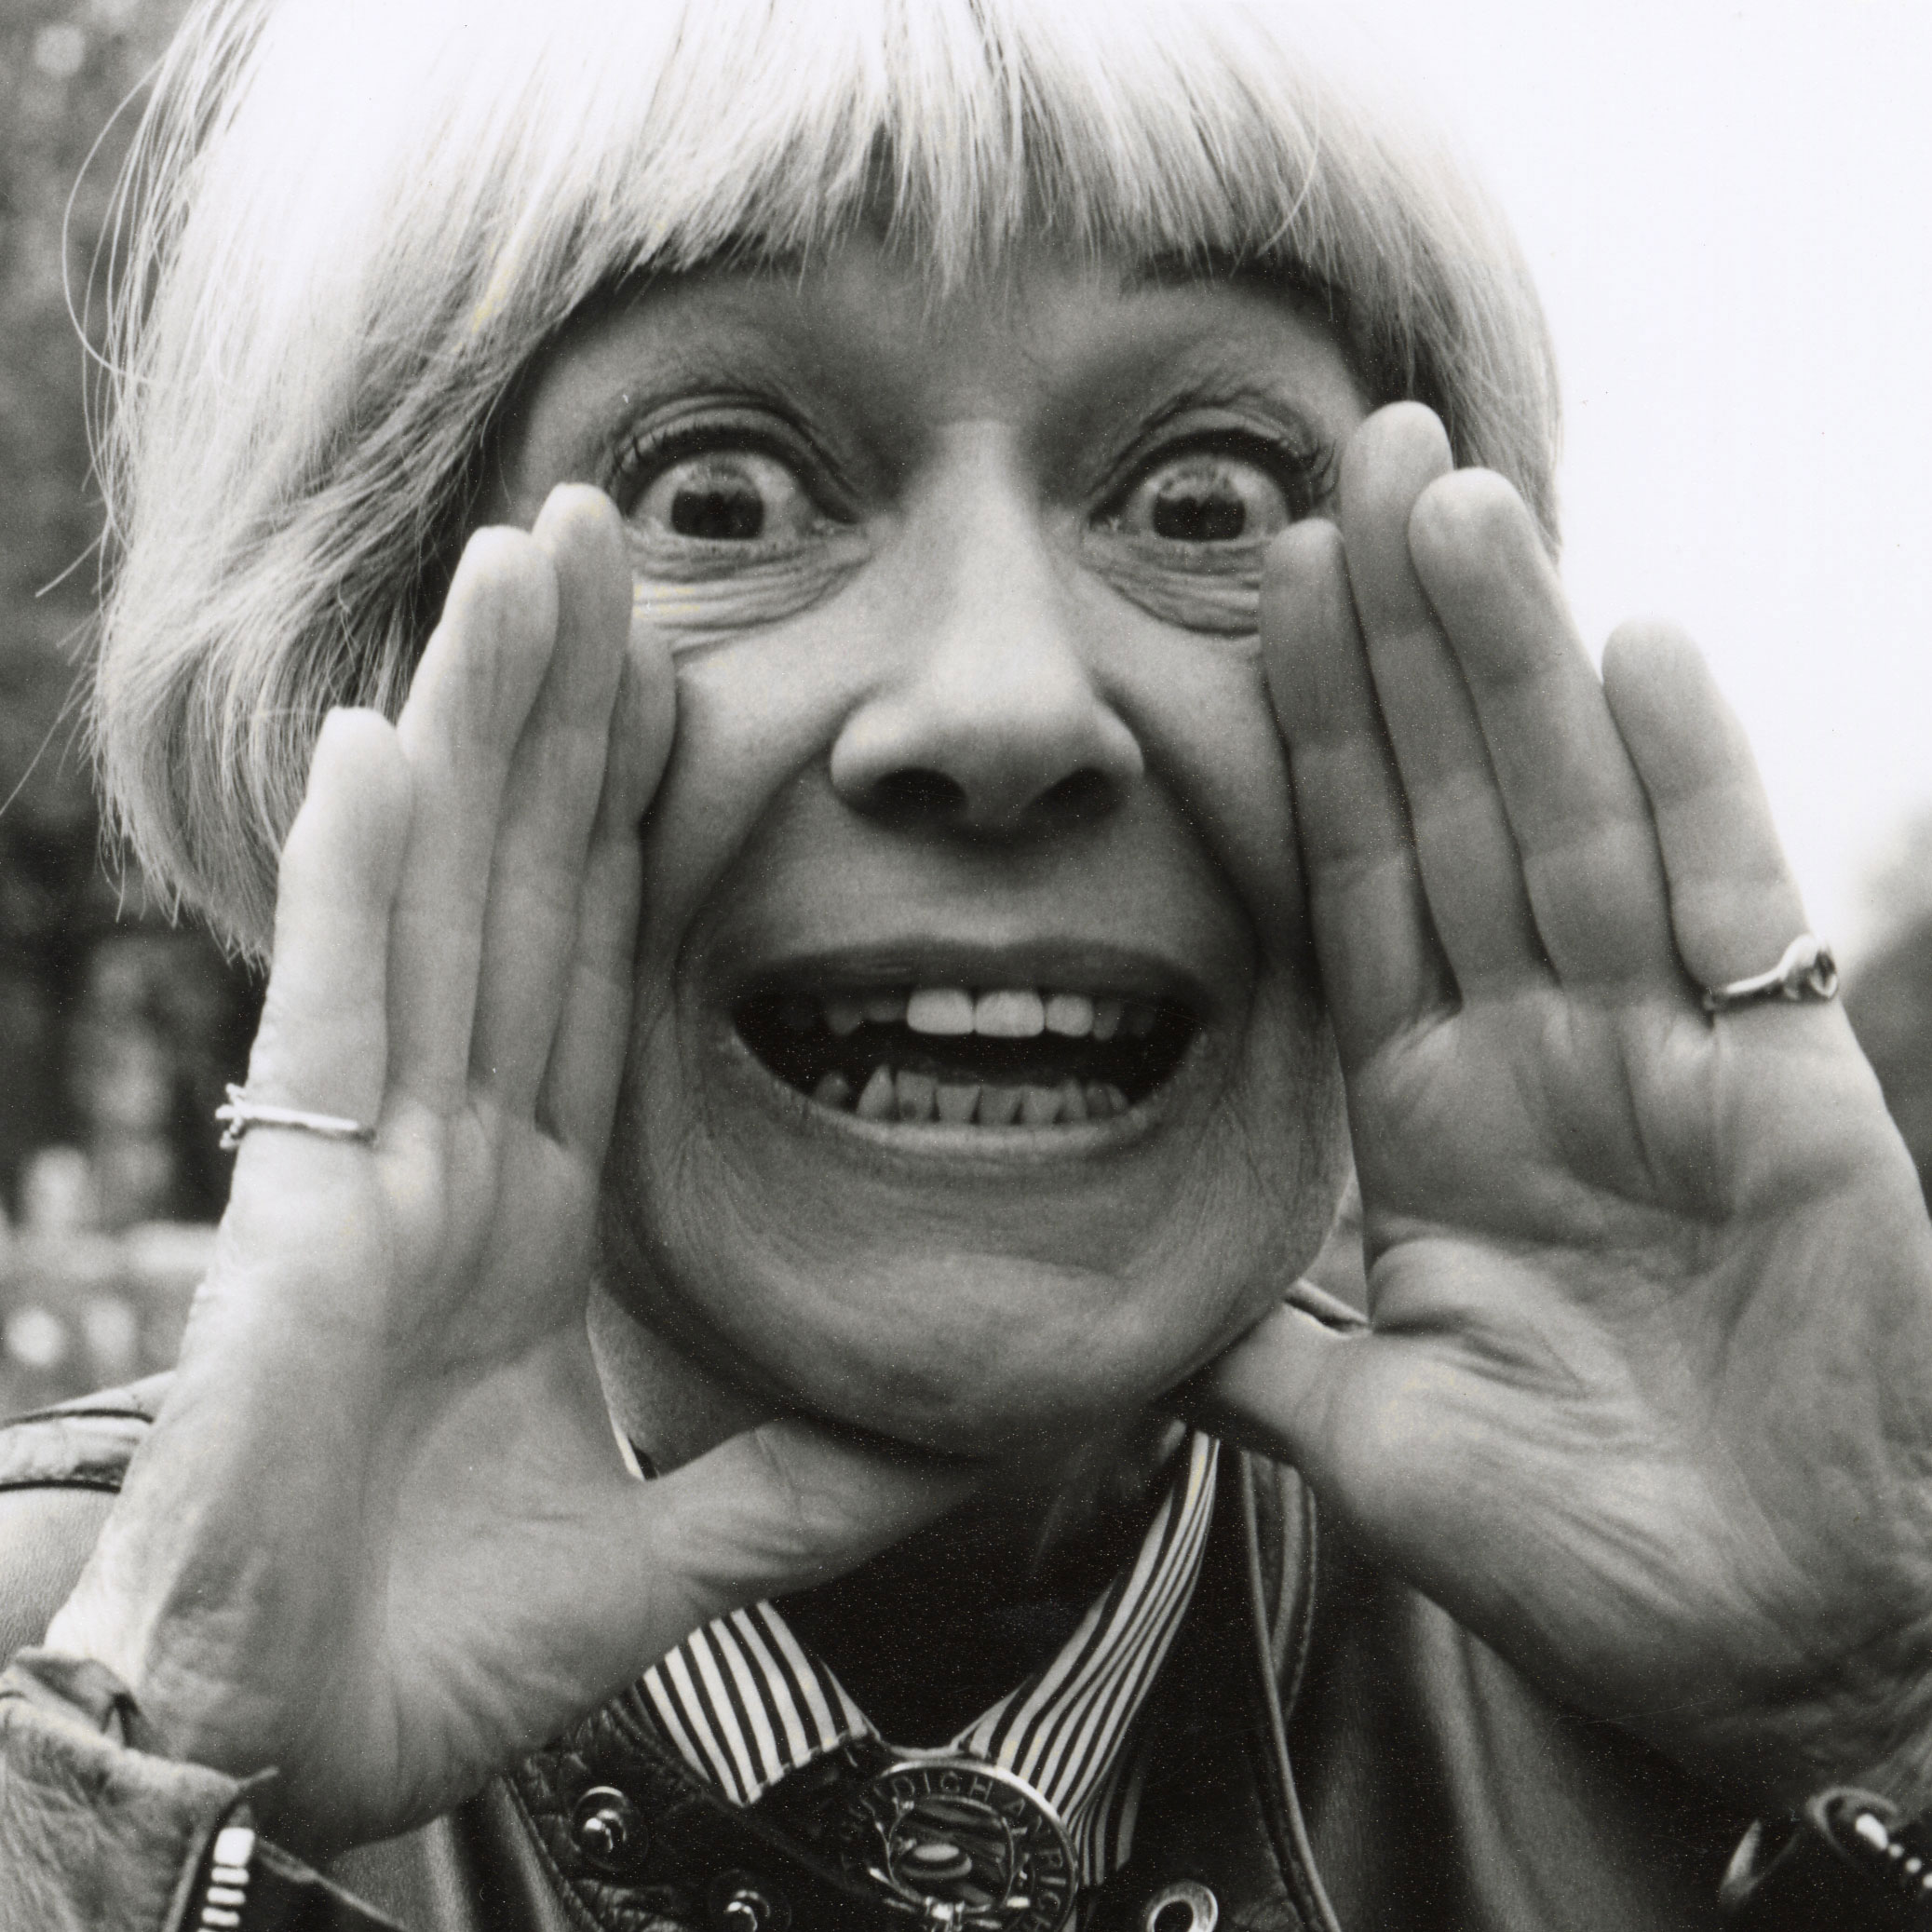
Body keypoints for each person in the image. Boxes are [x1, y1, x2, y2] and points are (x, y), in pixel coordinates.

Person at [4, 1, 1931, 1926]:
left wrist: (1884, 1708)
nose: (1004, 704)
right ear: (354, 678)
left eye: (1202, 503)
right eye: (725, 492)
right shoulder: (59, 1701)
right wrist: (137, 1800)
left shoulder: (1738, 1709)